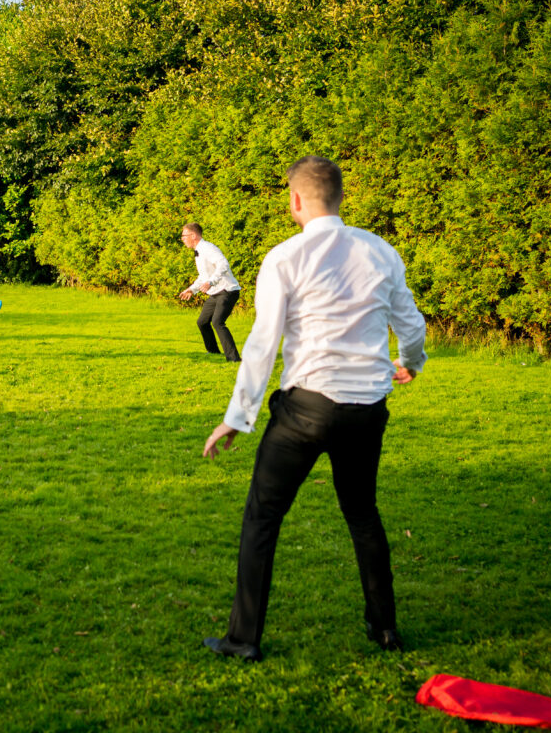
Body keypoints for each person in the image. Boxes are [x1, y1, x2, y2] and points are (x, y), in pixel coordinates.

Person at [201, 156, 427, 662]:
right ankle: (385, 628)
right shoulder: (380, 252)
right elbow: (411, 327)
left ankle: (242, 640)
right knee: (362, 514)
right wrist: (411, 362)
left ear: (295, 201)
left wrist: (238, 417)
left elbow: (262, 343)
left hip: (306, 410)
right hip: (366, 410)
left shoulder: (284, 257)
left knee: (263, 517)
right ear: (340, 197)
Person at [178, 223, 242, 362]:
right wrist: (192, 289)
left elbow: (223, 264)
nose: (182, 239)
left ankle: (233, 358)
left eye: (184, 236)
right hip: (216, 292)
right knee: (202, 322)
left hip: (227, 290)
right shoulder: (199, 252)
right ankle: (213, 351)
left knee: (218, 322)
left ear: (193, 235)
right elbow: (203, 277)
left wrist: (211, 282)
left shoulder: (208, 248)